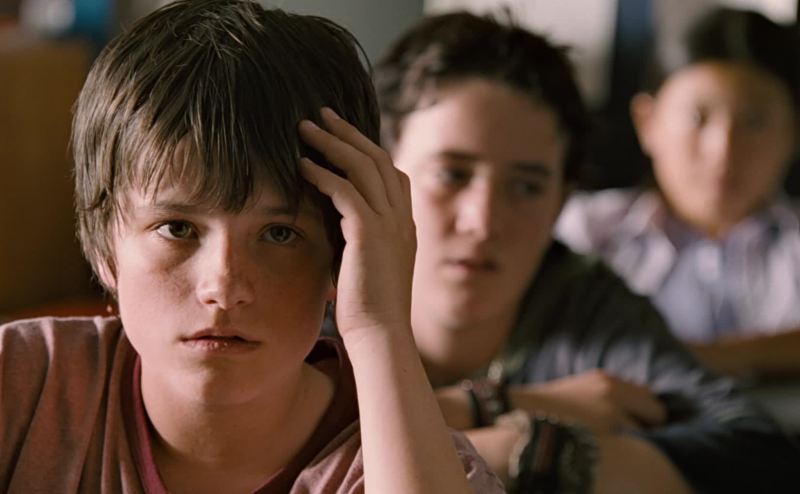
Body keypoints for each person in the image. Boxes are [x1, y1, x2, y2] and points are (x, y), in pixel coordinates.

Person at [0, 1, 503, 492]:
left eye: (279, 233)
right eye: (177, 228)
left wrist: (379, 325)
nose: (224, 287)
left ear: (342, 254)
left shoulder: (418, 466)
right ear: (105, 245)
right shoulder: (22, 381)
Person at [374, 10, 800, 494]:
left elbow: (757, 456)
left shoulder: (586, 302)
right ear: (381, 168)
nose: (484, 221)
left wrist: (533, 450)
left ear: (562, 200)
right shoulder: (317, 283)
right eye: (451, 174)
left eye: (527, 187)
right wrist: (497, 409)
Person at [556, 7, 800, 379]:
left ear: (793, 133)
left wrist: (689, 358)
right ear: (647, 122)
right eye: (697, 118)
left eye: (754, 121)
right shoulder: (580, 231)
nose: (723, 151)